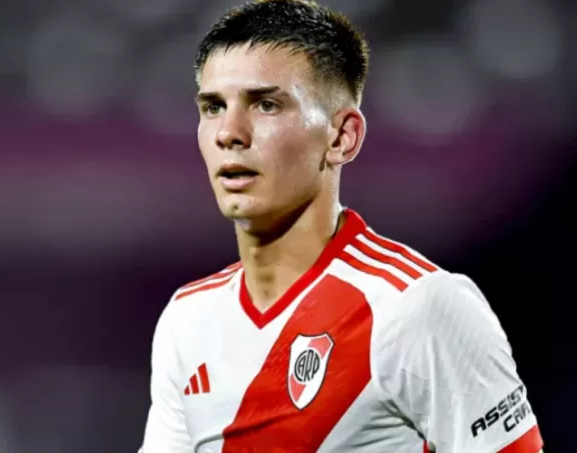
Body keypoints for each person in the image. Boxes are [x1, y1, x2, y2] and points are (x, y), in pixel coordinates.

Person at [139, 1, 544, 452]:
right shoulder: (188, 318)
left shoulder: (417, 306)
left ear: (341, 137)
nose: (228, 132)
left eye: (266, 104)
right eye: (214, 107)